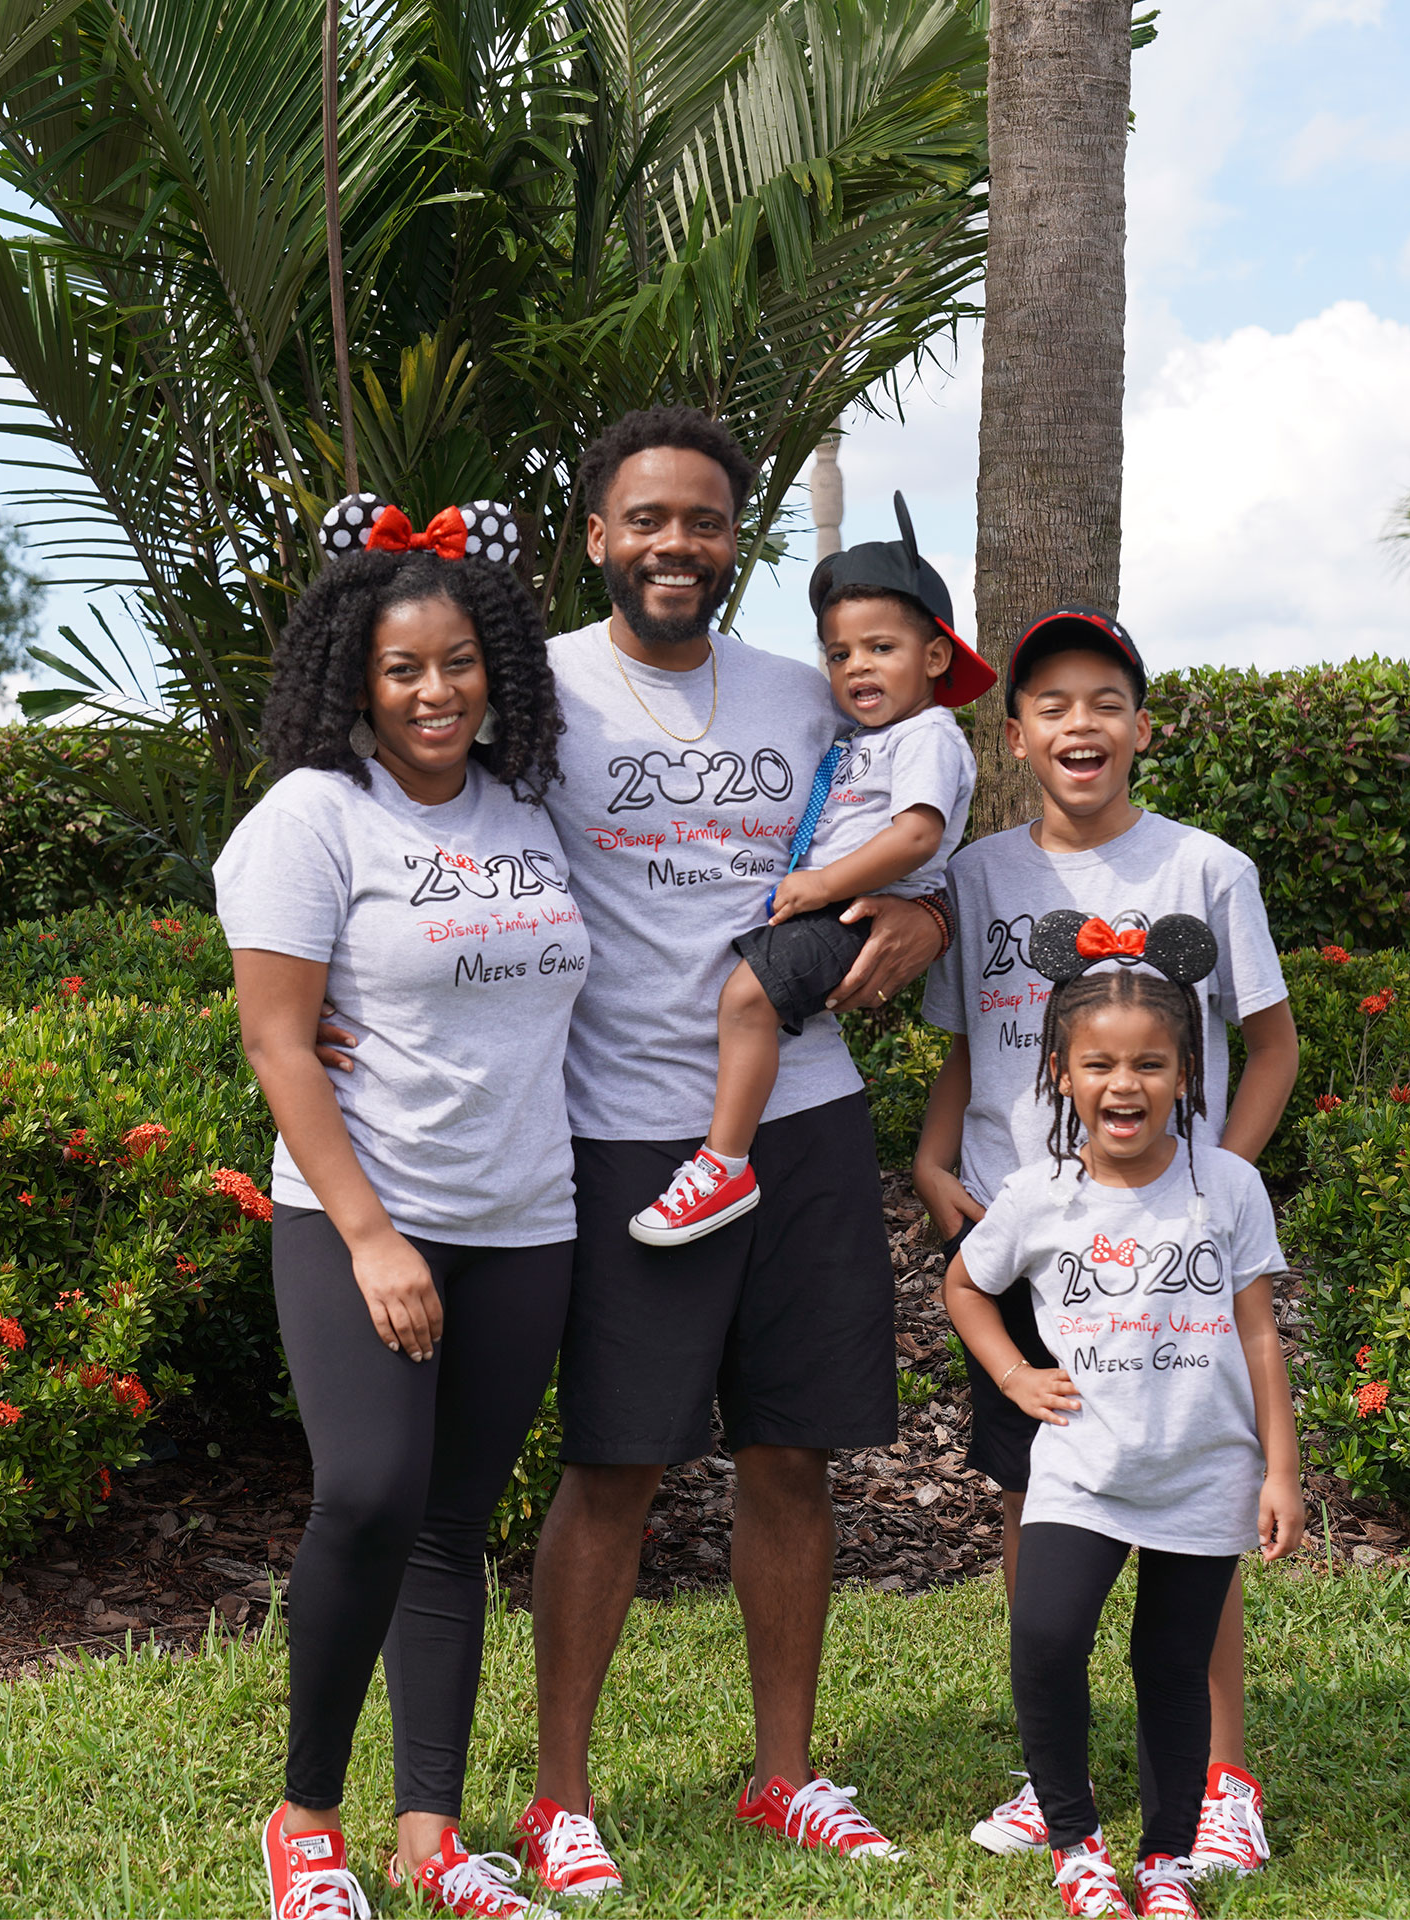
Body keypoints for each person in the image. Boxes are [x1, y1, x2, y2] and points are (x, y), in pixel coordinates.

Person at [516, 408, 952, 1898]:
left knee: (791, 1455)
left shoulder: (804, 691)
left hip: (808, 1120)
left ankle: (785, 1773)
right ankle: (557, 1795)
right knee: (616, 1465)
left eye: (703, 522)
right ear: (598, 536)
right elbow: (419, 837)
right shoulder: (542, 689)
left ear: (734, 540)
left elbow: (914, 822)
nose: (675, 547)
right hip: (627, 1132)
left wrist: (931, 915)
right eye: (647, 520)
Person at [217, 497, 583, 1920]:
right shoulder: (313, 817)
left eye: (456, 664)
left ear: (495, 663)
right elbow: (276, 1041)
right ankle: (305, 1820)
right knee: (369, 1496)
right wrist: (372, 1234)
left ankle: (429, 1834)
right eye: (401, 671)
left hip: (526, 1215)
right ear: (353, 682)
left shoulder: (530, 811)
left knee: (452, 1524)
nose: (436, 694)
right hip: (362, 1214)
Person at [912, 607, 1300, 1876]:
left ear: (1142, 726)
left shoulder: (1206, 870)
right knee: (1041, 1496)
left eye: (1105, 701)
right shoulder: (977, 878)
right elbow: (971, 1040)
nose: (1081, 724)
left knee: (1194, 1493)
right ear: (1014, 734)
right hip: (1024, 1233)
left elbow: (1271, 1044)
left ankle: (1224, 1776)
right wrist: (929, 1152)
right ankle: (1052, 1772)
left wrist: (1213, 1184)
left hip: (1167, 1244)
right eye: (1053, 705)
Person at [940, 910, 1306, 1919]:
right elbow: (964, 1286)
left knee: (1171, 1665)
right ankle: (1074, 1843)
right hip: (1082, 1471)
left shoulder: (1227, 1188)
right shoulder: (1040, 1194)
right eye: (1099, 1064)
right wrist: (1015, 1376)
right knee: (1048, 1638)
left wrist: (1281, 1472)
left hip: (1203, 1470)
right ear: (1061, 1072)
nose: (1124, 1084)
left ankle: (1165, 1860)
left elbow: (1262, 1337)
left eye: (1151, 1063)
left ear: (1186, 1074)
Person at [631, 491, 991, 1245]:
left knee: (745, 1000)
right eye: (839, 653)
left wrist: (823, 884)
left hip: (855, 912)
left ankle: (724, 1161)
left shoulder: (926, 735)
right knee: (748, 1001)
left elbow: (918, 837)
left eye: (881, 648)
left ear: (935, 656)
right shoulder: (866, 735)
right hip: (839, 908)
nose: (857, 666)